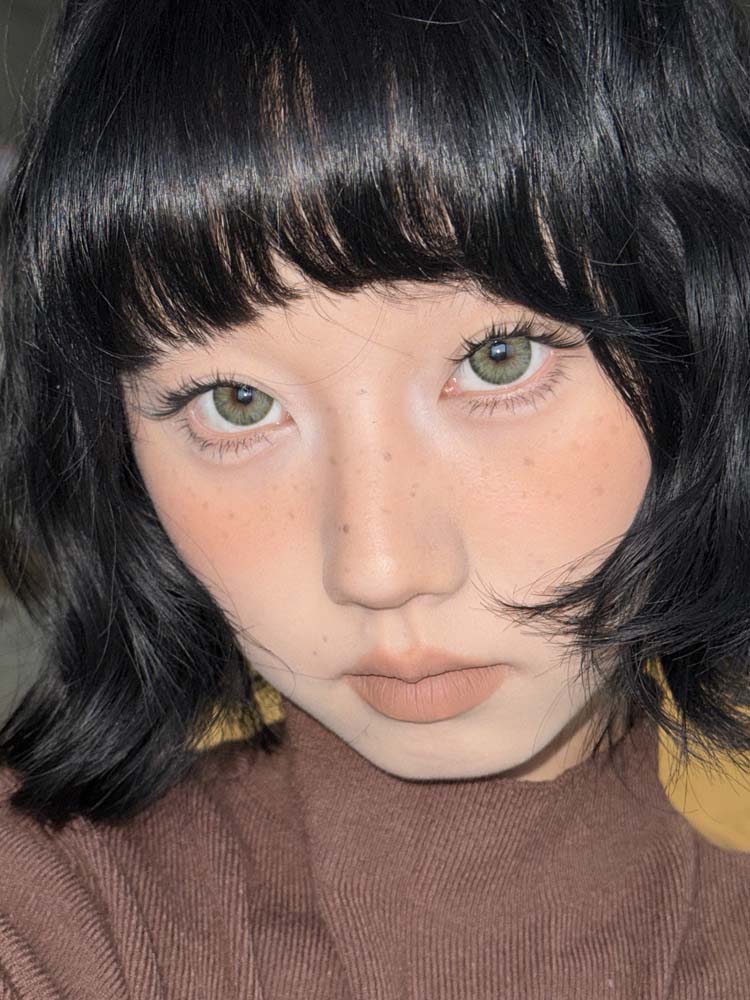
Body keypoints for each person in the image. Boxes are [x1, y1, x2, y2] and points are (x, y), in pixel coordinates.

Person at [0, 0, 749, 996]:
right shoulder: (44, 908)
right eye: (236, 403)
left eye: (498, 358)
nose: (379, 570)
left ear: (701, 342)